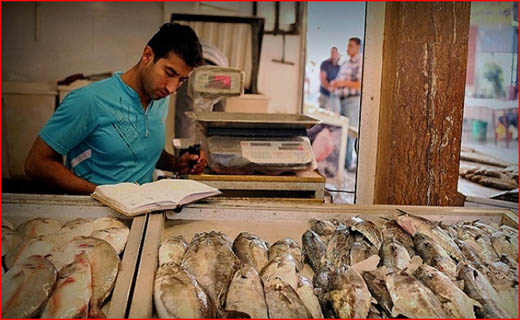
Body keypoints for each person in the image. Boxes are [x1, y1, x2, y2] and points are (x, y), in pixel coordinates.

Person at [24, 23, 207, 195]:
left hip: (141, 214)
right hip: (94, 217)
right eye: (169, 73)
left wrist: (177, 164)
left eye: (181, 80)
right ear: (147, 56)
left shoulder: (160, 100)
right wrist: (102, 193)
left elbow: (140, 152)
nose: (172, 89)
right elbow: (36, 163)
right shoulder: (89, 101)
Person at [174, 41, 229, 139]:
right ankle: (218, 150)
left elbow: (185, 124)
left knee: (186, 119)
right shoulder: (212, 49)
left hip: (196, 70)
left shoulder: (188, 50)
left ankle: (185, 152)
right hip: (220, 72)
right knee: (219, 119)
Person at [331, 37, 362, 172]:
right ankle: (343, 163)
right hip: (341, 100)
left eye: (350, 46)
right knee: (342, 131)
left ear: (358, 47)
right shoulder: (346, 63)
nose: (347, 48)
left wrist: (342, 83)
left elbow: (360, 84)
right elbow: (338, 80)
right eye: (347, 46)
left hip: (352, 101)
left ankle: (348, 164)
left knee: (350, 132)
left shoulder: (361, 62)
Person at [319, 47, 341, 113]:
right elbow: (322, 79)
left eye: (335, 53)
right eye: (332, 52)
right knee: (323, 114)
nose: (333, 54)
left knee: (335, 113)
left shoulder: (339, 67)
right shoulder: (325, 64)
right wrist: (329, 87)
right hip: (325, 94)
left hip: (335, 95)